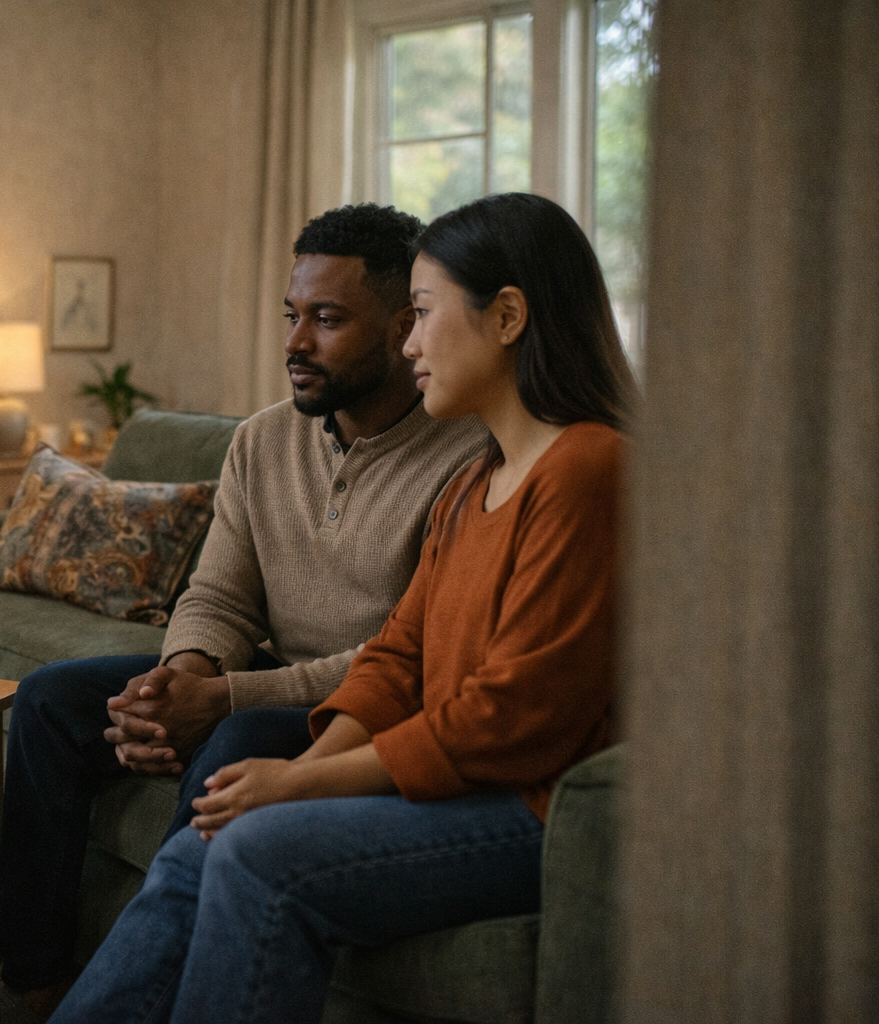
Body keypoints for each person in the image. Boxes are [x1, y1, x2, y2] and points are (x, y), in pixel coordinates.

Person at [46, 191, 637, 1024]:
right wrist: (303, 776)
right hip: (466, 778)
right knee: (205, 842)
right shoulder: (478, 481)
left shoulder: (588, 469)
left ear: (507, 317)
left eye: (424, 315)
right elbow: (400, 660)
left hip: (540, 808)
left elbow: (515, 719)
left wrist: (299, 781)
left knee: (254, 852)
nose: (412, 341)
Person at [0, 204, 487, 1024]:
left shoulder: (465, 455)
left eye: (327, 319)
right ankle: (36, 981)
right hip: (257, 672)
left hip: (358, 706)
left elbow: (405, 655)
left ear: (401, 328)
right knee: (52, 700)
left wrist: (225, 701)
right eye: (291, 315)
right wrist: (181, 678)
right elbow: (218, 594)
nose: (295, 343)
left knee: (235, 737)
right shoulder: (263, 440)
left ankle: (160, 990)